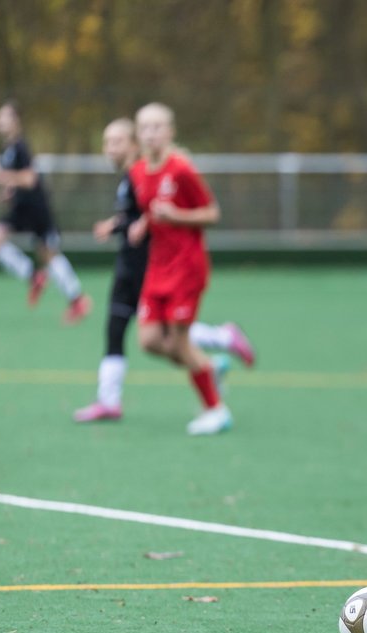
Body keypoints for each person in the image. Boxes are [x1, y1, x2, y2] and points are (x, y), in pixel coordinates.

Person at [73, 118, 256, 424]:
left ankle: (216, 369)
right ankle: (111, 399)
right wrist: (121, 224)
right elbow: (143, 212)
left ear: (135, 145)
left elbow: (202, 211)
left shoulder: (170, 170)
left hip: (162, 265)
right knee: (143, 337)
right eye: (106, 142)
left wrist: (158, 220)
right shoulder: (135, 175)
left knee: (174, 335)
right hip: (133, 267)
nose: (109, 149)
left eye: (116, 142)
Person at [127, 102, 232, 436]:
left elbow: (212, 213)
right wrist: (143, 224)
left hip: (187, 266)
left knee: (180, 343)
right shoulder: (138, 171)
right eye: (145, 128)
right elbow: (151, 208)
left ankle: (216, 409)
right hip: (158, 266)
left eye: (158, 127)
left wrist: (177, 216)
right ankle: (209, 367)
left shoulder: (182, 170)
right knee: (150, 341)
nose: (151, 133)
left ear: (170, 132)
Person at [0, 100, 90, 323]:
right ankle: (33, 276)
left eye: (4, 118)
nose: (0, 123)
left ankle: (77, 300)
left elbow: (30, 179)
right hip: (21, 208)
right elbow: (18, 179)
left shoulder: (21, 146)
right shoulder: (8, 150)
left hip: (36, 208)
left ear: (16, 121)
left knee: (48, 254)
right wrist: (9, 191)